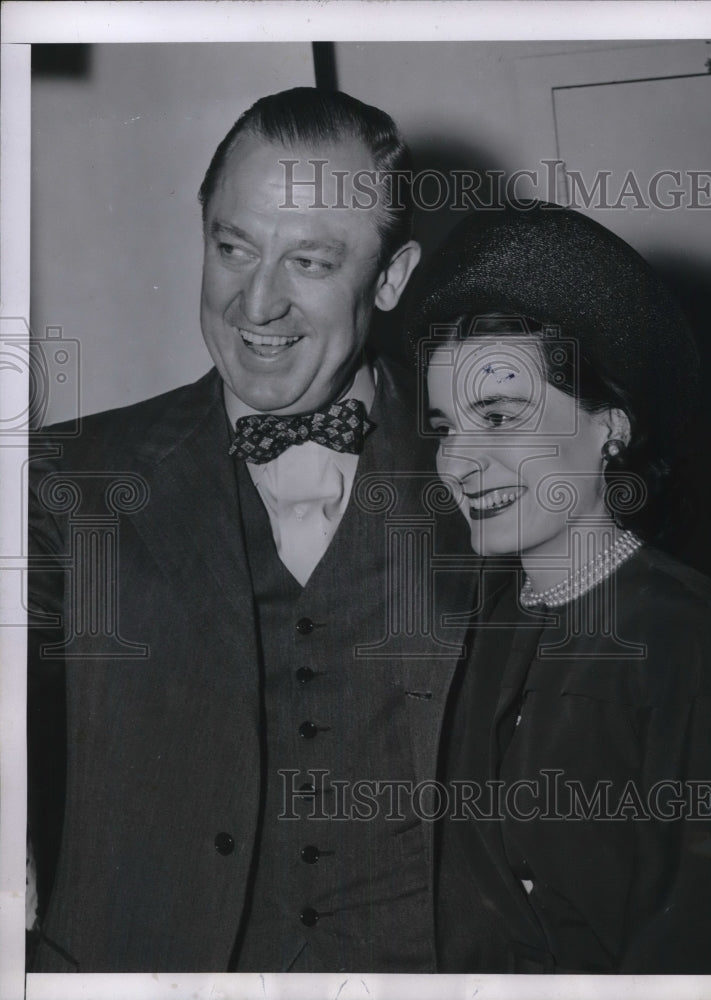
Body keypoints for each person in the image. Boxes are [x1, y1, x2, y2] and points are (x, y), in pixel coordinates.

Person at [26, 87, 476, 973]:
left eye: (309, 262)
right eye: (233, 249)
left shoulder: (489, 477)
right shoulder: (63, 477)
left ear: (389, 278)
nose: (255, 304)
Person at [408, 204, 711, 973]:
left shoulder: (690, 638)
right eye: (447, 426)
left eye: (501, 418)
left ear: (610, 427)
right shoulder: (474, 628)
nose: (459, 464)